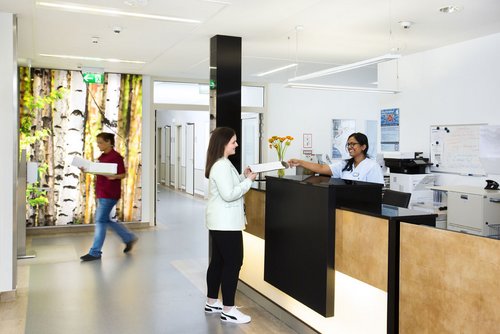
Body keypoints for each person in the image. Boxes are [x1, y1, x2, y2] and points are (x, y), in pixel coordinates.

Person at [204, 127, 257, 324]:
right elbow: (229, 194)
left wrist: (243, 177)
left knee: (218, 262)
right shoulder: (222, 166)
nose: (236, 144)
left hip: (220, 223)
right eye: (233, 141)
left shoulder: (222, 164)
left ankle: (212, 302)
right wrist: (249, 182)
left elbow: (229, 186)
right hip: (226, 225)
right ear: (224, 143)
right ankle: (228, 309)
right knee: (233, 263)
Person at [80, 132, 138, 261]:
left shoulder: (116, 157)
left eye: (100, 142)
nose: (98, 145)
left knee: (100, 221)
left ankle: (95, 252)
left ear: (108, 142)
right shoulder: (102, 157)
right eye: (97, 143)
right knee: (105, 220)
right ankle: (128, 238)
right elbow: (99, 171)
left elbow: (123, 174)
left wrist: (114, 176)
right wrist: (87, 169)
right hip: (101, 191)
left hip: (110, 193)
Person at [288, 132, 384, 184]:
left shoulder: (372, 166)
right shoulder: (344, 164)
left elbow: (376, 191)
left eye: (353, 144)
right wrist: (300, 162)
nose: (350, 147)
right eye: (348, 144)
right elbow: (321, 168)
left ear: (363, 147)